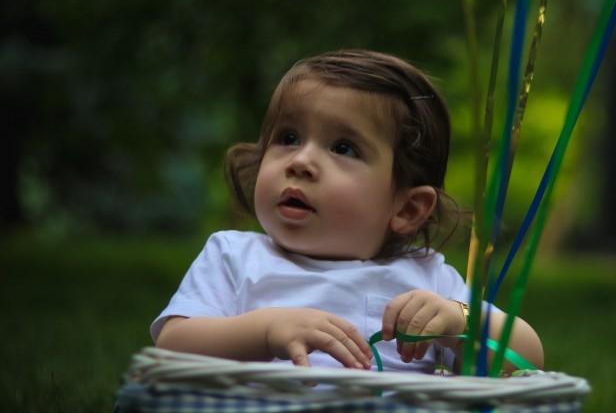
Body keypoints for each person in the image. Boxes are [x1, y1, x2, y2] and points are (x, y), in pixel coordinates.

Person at [152, 49, 544, 375]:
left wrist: (459, 322)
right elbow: (172, 347)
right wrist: (264, 331)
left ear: (406, 209)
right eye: (288, 138)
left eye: (343, 148)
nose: (301, 161)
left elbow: (527, 359)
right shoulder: (234, 256)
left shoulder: (429, 279)